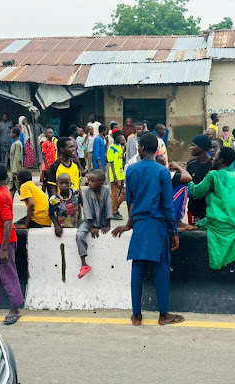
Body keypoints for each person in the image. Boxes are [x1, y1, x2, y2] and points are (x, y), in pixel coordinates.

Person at [112, 133, 183, 326]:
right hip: (158, 225)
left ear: (142, 149)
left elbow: (130, 201)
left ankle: (136, 315)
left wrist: (129, 223)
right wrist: (174, 232)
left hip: (140, 224)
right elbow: (168, 205)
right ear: (156, 150)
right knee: (161, 269)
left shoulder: (131, 170)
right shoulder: (161, 172)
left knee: (138, 269)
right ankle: (163, 315)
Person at [188, 147, 235, 269]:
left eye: (215, 156)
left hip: (217, 225)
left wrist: (187, 179)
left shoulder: (213, 175)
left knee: (190, 229)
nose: (212, 158)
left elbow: (196, 193)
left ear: (220, 160)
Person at [0, 163, 23, 325]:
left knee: (8, 274)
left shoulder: (1, 195)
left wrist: (3, 249)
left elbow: (8, 222)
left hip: (3, 243)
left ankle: (15, 308)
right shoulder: (0, 193)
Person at [75, 169, 112, 279]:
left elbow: (109, 208)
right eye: (89, 180)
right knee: (79, 235)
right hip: (89, 221)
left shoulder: (106, 190)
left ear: (100, 182)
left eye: (93, 181)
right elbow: (86, 209)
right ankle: (84, 263)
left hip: (103, 221)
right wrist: (91, 227)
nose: (90, 183)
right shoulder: (86, 191)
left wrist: (108, 225)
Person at [156, 155, 192, 230]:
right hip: (161, 209)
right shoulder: (165, 173)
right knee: (184, 185)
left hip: (150, 210)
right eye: (164, 162)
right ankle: (177, 220)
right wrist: (178, 167)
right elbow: (188, 178)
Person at [186, 134, 212, 225]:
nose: (190, 148)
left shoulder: (213, 165)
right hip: (194, 209)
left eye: (193, 145)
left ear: (201, 148)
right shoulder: (191, 164)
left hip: (210, 210)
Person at [107, 131, 126, 220]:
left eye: (121, 136)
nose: (121, 137)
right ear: (115, 137)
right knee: (115, 194)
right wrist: (114, 176)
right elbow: (111, 163)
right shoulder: (111, 148)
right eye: (119, 136)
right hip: (115, 175)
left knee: (123, 193)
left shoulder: (120, 147)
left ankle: (114, 208)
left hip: (121, 173)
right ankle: (113, 212)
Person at [41, 126, 57, 194]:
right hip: (46, 165)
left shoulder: (54, 142)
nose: (50, 134)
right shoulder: (45, 143)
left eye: (51, 133)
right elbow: (43, 154)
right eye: (49, 133)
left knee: (51, 181)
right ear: (46, 134)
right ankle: (42, 195)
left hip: (53, 164)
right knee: (45, 182)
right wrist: (47, 166)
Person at [9, 128, 23, 199]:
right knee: (11, 189)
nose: (10, 134)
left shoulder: (17, 144)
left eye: (11, 133)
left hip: (16, 170)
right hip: (14, 170)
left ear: (14, 134)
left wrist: (14, 171)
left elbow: (17, 158)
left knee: (20, 189)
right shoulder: (15, 143)